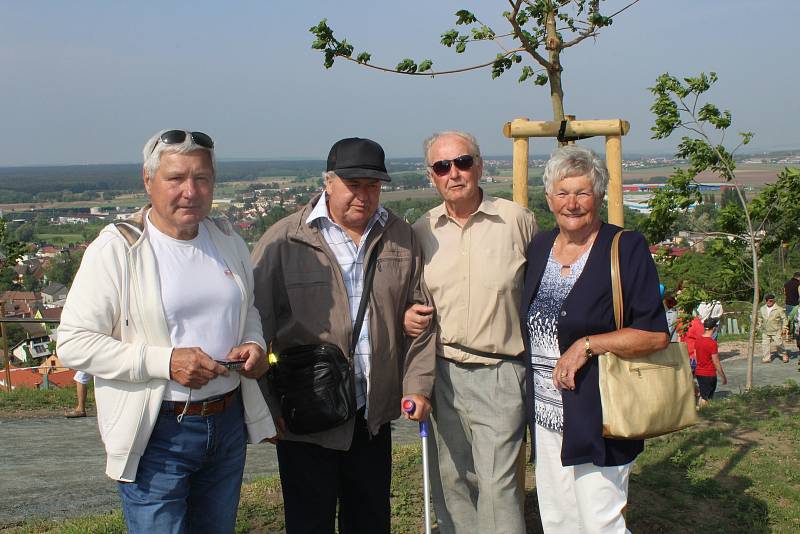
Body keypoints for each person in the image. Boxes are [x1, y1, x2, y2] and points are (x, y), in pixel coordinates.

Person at [57, 129, 276, 533]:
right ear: (148, 180)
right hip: (159, 428)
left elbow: (248, 311)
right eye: (176, 178)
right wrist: (165, 361)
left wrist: (255, 343)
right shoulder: (118, 248)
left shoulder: (226, 239)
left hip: (226, 422)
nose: (190, 191)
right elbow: (73, 343)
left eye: (202, 178)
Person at [252, 137, 436, 534]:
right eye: (353, 185)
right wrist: (266, 407)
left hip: (371, 415)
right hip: (305, 414)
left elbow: (423, 319)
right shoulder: (284, 240)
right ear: (329, 182)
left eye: (373, 186)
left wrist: (418, 386)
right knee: (309, 522)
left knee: (370, 520)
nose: (364, 195)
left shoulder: (400, 236)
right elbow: (254, 327)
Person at [520, 145, 668, 533]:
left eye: (583, 192)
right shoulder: (540, 248)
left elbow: (654, 334)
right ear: (549, 198)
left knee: (600, 523)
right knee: (558, 521)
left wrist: (587, 345)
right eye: (563, 193)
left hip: (600, 415)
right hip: (547, 416)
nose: (572, 203)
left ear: (599, 196)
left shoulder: (626, 248)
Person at [405, 131, 536, 533]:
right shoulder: (421, 231)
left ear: (479, 165)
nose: (454, 173)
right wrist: (407, 315)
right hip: (441, 372)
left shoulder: (516, 221)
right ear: (431, 176)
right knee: (452, 478)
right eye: (443, 167)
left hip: (499, 371)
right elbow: (409, 295)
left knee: (498, 485)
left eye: (462, 162)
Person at [694, 318, 727, 407]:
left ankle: (701, 410)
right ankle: (704, 414)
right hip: (709, 373)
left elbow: (695, 355)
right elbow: (716, 362)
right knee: (707, 398)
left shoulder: (698, 340)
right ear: (714, 328)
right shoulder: (712, 343)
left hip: (699, 372)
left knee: (703, 394)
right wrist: (723, 376)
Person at [758, 293, 790, 363]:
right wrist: (759, 325)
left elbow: (784, 319)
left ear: (774, 301)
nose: (769, 302)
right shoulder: (762, 308)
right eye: (767, 300)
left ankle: (784, 354)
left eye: (771, 301)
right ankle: (766, 358)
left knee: (779, 344)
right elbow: (760, 318)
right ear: (765, 301)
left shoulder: (779, 309)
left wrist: (784, 327)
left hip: (776, 330)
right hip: (765, 330)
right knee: (765, 345)